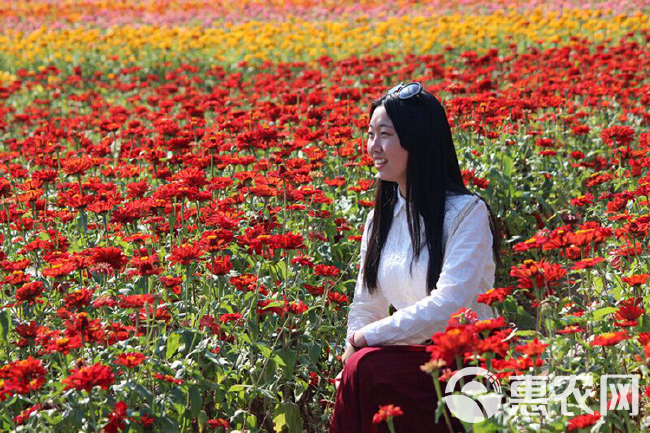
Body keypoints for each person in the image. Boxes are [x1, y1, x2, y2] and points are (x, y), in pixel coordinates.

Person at [328, 82, 501, 432]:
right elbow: (366, 305)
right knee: (361, 369)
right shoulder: (381, 218)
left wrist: (363, 342)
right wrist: (354, 347)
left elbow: (449, 306)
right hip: (407, 364)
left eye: (385, 135)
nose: (373, 146)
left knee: (366, 368)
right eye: (370, 133)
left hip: (463, 365)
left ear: (417, 140)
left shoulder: (466, 214)